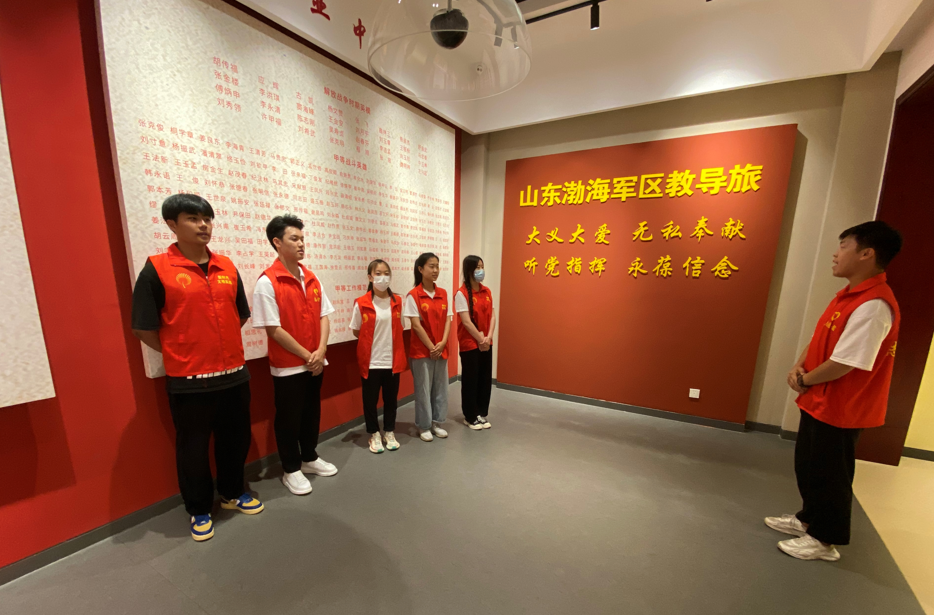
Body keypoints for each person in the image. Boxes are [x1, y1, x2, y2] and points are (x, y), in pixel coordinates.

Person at [131, 194, 263, 543]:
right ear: (172, 225)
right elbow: (143, 326)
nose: (203, 225)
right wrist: (180, 351)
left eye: (207, 218)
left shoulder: (226, 266)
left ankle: (233, 493)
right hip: (189, 380)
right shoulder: (157, 269)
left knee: (235, 440)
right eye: (193, 218)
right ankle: (199, 508)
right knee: (193, 449)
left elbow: (241, 314)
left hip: (233, 374)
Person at [766, 221, 902, 562]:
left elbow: (847, 361)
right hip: (820, 399)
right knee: (810, 465)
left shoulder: (874, 305)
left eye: (843, 246)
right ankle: (808, 519)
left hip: (843, 405)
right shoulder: (848, 295)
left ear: (866, 254)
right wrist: (799, 366)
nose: (835, 254)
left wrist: (806, 380)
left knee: (831, 473)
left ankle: (825, 540)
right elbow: (820, 337)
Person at [252, 214, 338, 496]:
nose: (301, 243)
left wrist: (321, 350)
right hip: (289, 365)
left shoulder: (311, 277)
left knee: (312, 412)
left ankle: (309, 457)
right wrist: (307, 355)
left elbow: (324, 316)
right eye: (294, 238)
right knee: (289, 418)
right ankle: (291, 469)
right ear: (277, 242)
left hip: (315, 361)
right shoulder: (267, 282)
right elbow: (273, 329)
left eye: (302, 238)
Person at [350, 259, 408, 453]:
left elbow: (401, 327)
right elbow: (356, 330)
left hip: (393, 360)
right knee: (370, 401)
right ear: (370, 277)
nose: (383, 277)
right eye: (378, 273)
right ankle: (374, 433)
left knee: (391, 400)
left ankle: (389, 431)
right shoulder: (361, 303)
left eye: (386, 273)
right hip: (371, 361)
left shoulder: (398, 301)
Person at [404, 252, 453, 442]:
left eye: (437, 266)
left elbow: (448, 320)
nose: (435, 270)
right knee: (423, 390)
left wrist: (442, 343)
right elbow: (416, 325)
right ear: (420, 269)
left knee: (440, 388)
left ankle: (437, 422)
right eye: (431, 266)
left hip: (441, 349)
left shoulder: (443, 293)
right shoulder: (413, 295)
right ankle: (423, 426)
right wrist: (433, 347)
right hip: (422, 351)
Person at [456, 255, 496, 430]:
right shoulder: (461, 293)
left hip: (486, 342)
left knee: (484, 379)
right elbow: (466, 321)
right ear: (469, 270)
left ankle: (481, 412)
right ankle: (470, 415)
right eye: (477, 267)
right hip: (470, 344)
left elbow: (493, 316)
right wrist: (480, 339)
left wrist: (489, 337)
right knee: (471, 380)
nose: (481, 271)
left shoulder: (486, 291)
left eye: (482, 267)